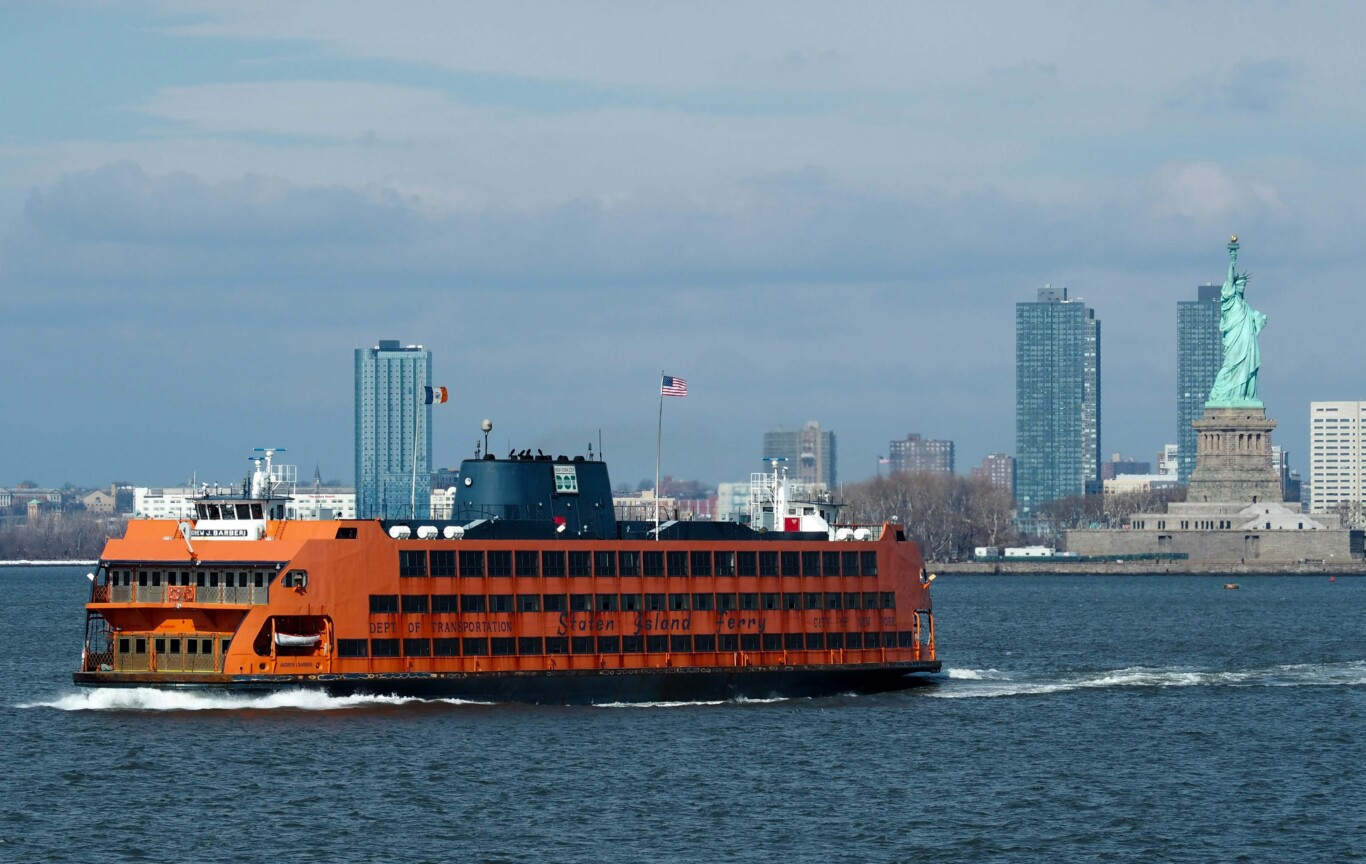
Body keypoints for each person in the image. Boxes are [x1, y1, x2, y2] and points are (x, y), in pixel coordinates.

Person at [1207, 238, 1267, 406]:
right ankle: (1221, 393)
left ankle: (1243, 396)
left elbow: (1253, 325)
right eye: (1239, 284)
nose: (1242, 287)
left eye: (1243, 285)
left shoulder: (1246, 305)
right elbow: (1229, 281)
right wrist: (1232, 261)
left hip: (1247, 343)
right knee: (1231, 365)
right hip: (1235, 341)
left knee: (1248, 364)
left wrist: (1259, 320)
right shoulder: (1230, 301)